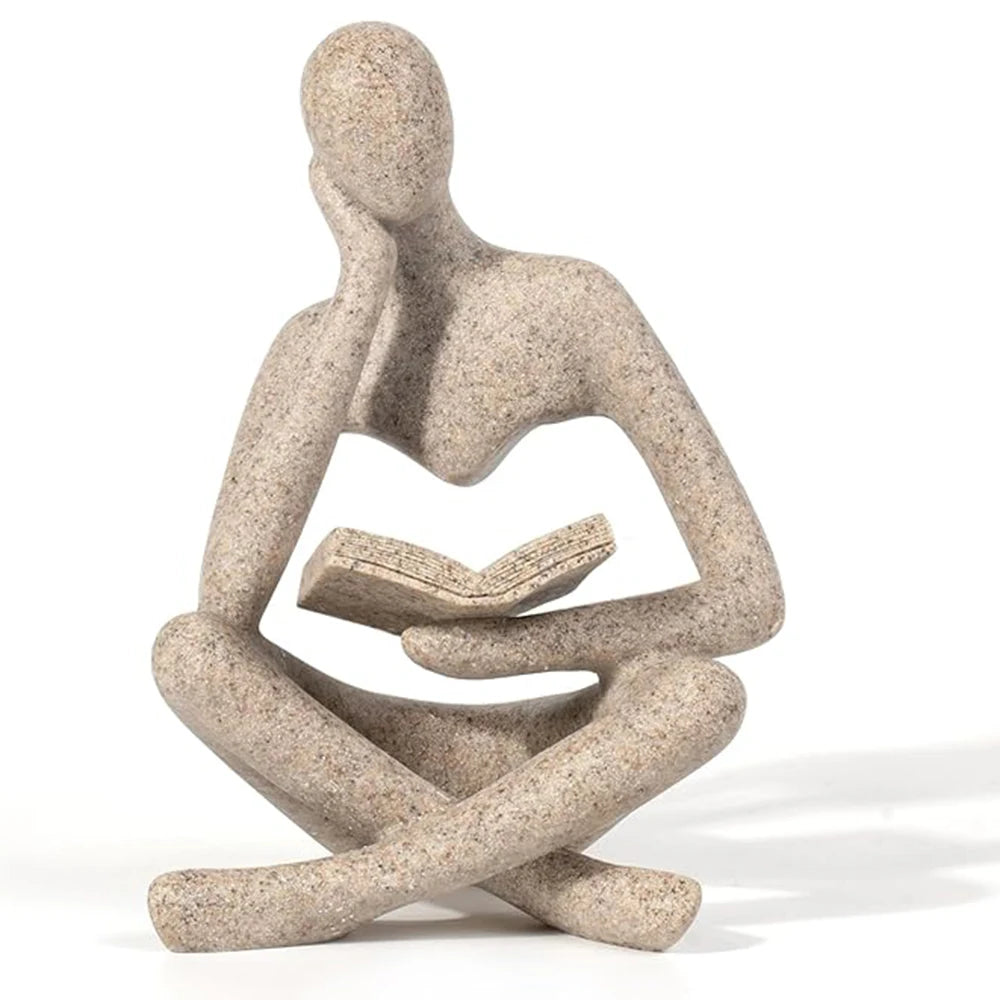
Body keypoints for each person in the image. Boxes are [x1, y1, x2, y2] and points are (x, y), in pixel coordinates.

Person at [149, 22, 784, 952]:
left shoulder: (574, 303)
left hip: (564, 751)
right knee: (188, 654)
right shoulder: (315, 345)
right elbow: (226, 610)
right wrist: (361, 291)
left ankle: (332, 894)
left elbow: (750, 599)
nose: (396, 144)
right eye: (356, 134)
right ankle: (556, 887)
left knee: (700, 695)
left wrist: (511, 648)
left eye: (415, 113)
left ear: (450, 122)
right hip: (364, 748)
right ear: (320, 164)